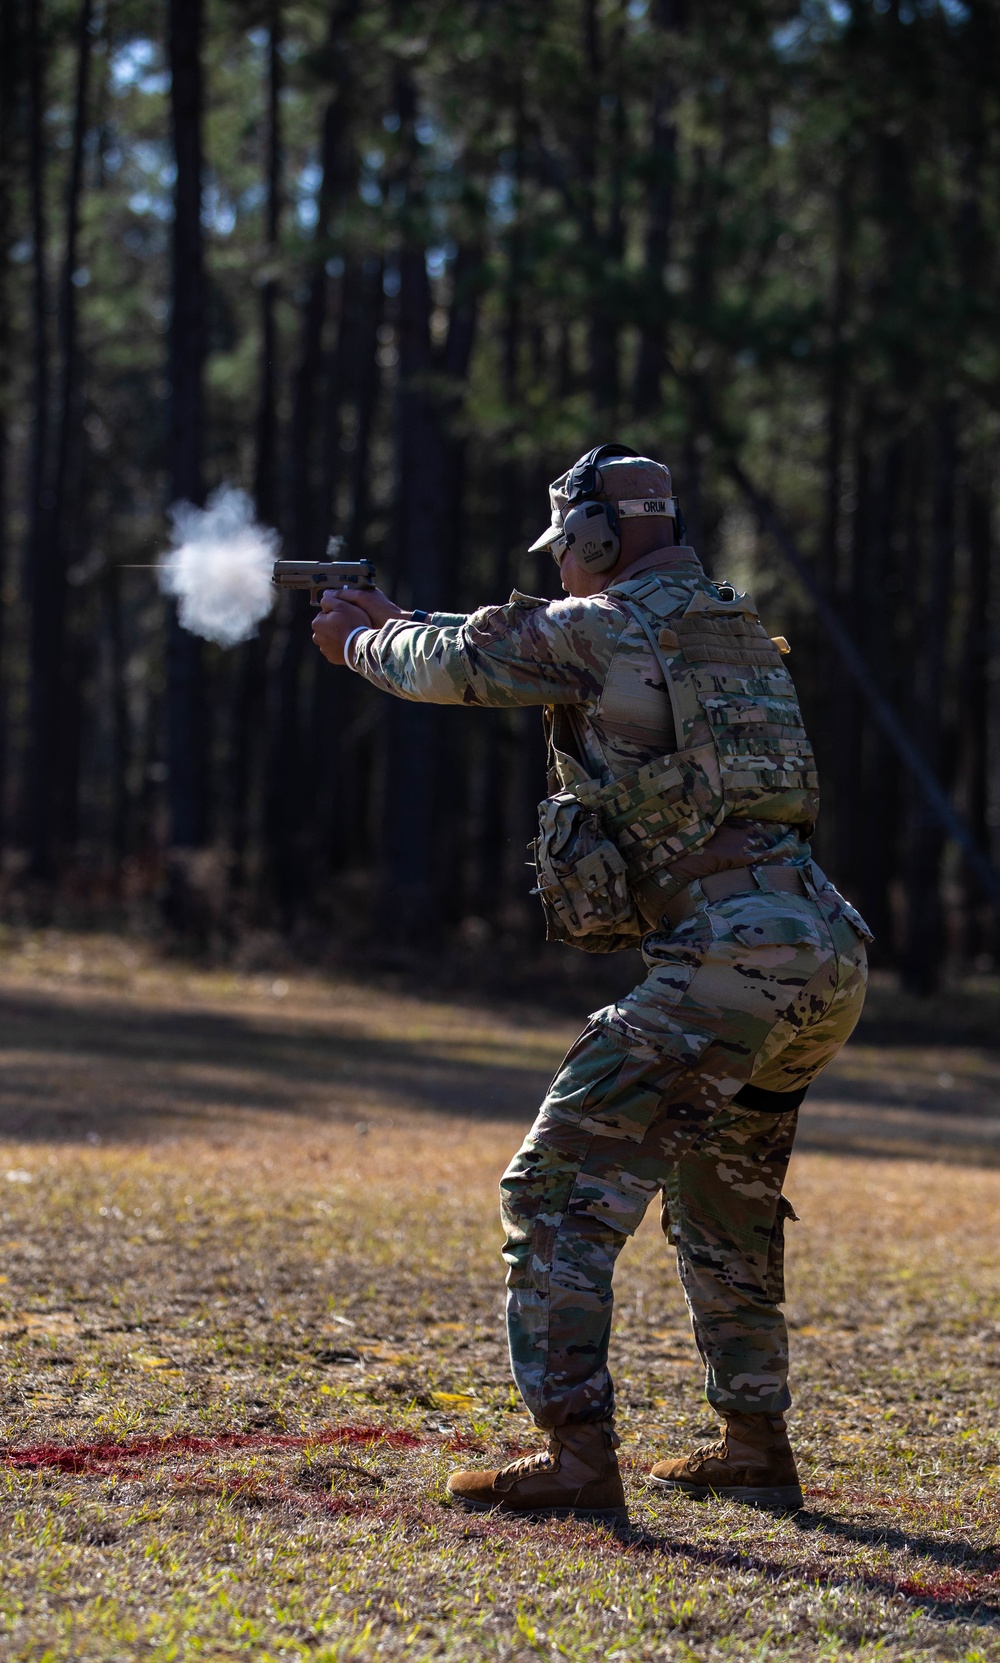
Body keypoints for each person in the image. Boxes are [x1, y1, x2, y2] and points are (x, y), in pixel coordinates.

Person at [312, 444, 871, 1522]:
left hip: (728, 956)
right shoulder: (728, 623)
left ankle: (574, 1455)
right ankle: (752, 1442)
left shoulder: (601, 623)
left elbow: (462, 665)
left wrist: (357, 641)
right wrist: (401, 616)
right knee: (726, 1201)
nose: (561, 560)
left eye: (566, 541)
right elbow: (520, 648)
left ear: (602, 536)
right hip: (821, 947)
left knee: (553, 1190)